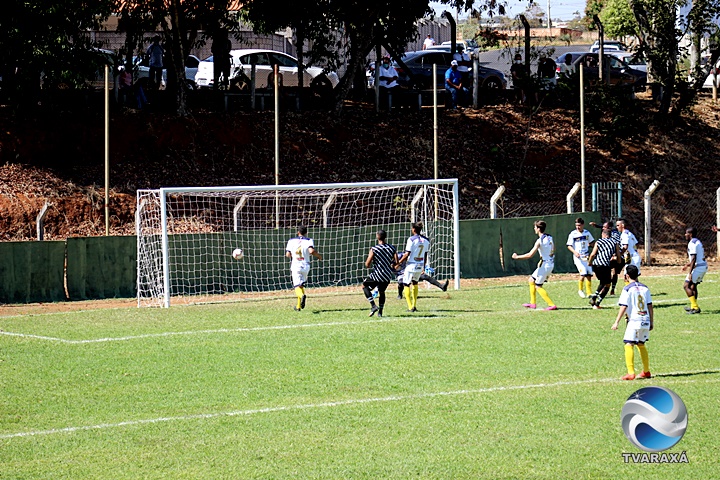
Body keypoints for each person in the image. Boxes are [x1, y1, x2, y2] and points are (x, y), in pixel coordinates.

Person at [611, 265, 653, 380]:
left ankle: (630, 372)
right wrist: (651, 321)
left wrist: (616, 322)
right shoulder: (645, 288)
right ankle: (646, 371)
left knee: (629, 344)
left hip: (634, 320)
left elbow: (624, 306)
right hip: (645, 319)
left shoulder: (627, 289)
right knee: (641, 344)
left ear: (627, 276)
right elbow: (650, 305)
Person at [511, 220, 558, 310]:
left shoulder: (539, 241)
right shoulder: (549, 237)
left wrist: (517, 257)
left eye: (535, 227)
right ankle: (533, 303)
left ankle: (551, 304)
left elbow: (530, 255)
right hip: (548, 263)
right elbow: (553, 249)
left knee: (538, 286)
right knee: (531, 280)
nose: (534, 229)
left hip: (545, 265)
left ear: (538, 229)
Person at [285, 226, 322, 311]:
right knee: (300, 285)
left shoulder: (291, 241)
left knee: (297, 287)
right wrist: (319, 256)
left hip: (296, 265)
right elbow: (311, 251)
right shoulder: (309, 240)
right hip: (305, 265)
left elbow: (287, 254)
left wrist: (292, 255)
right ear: (306, 233)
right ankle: (298, 306)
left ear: (298, 232)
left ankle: (302, 296)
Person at [362, 230, 398, 317]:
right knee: (382, 292)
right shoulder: (392, 248)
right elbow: (397, 262)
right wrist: (390, 266)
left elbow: (367, 264)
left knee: (364, 287)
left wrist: (369, 265)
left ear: (377, 237)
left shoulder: (374, 249)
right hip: (386, 275)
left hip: (377, 274)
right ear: (385, 237)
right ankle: (380, 312)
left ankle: (373, 306)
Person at [398, 222, 430, 312]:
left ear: (414, 230)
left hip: (412, 264)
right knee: (415, 283)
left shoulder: (411, 239)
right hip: (420, 264)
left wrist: (398, 262)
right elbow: (425, 254)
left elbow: (407, 254)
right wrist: (423, 266)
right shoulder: (426, 240)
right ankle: (414, 305)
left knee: (406, 284)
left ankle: (410, 307)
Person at [587, 228, 621, 309]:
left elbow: (593, 254)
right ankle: (596, 300)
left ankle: (595, 300)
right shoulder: (614, 242)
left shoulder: (599, 242)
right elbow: (618, 255)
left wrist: (589, 262)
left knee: (603, 282)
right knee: (607, 284)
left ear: (603, 234)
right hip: (605, 265)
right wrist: (619, 262)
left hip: (596, 265)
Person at [589, 220, 623, 295]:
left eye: (605, 227)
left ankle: (612, 288)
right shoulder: (608, 231)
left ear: (610, 228)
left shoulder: (615, 235)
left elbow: (616, 246)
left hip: (616, 255)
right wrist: (597, 225)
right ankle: (604, 286)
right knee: (605, 271)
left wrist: (614, 255)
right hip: (608, 255)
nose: (603, 228)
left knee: (614, 272)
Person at [567, 217, 595, 298]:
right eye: (576, 225)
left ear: (583, 225)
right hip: (578, 258)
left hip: (586, 257)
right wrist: (575, 252)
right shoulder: (573, 234)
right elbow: (569, 245)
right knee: (583, 273)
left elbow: (592, 242)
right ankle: (580, 290)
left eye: (579, 225)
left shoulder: (587, 233)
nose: (577, 227)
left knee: (589, 274)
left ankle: (589, 293)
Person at [682, 226, 707, 314]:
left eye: (686, 233)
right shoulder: (698, 242)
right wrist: (687, 265)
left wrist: (690, 272)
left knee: (686, 286)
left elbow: (694, 258)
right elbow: (698, 256)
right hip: (703, 266)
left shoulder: (692, 243)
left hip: (698, 267)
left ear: (690, 234)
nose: (685, 235)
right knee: (693, 286)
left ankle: (695, 307)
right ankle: (693, 307)